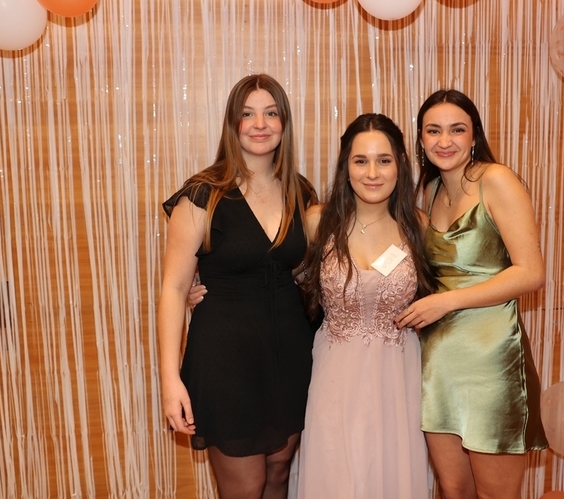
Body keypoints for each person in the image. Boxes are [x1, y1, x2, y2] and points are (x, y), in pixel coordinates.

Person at [157, 74, 316, 499]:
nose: (260, 124)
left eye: (270, 113)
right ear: (233, 124)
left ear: (284, 122)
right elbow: (173, 289)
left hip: (289, 354)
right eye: (248, 114)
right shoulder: (203, 194)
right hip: (225, 360)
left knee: (278, 476)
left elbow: (306, 270)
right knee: (246, 487)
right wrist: (170, 380)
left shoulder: (301, 191)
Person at [394, 90, 548, 499]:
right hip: (439, 362)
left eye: (457, 130)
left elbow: (531, 273)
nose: (445, 141)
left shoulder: (496, 180)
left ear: (474, 135)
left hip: (491, 359)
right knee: (452, 490)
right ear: (421, 140)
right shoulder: (428, 192)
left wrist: (447, 301)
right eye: (433, 131)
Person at [295, 113, 437, 499]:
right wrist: (203, 284)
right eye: (361, 161)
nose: (372, 173)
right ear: (346, 166)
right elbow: (270, 275)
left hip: (397, 374)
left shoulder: (419, 225)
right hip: (335, 372)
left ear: (400, 164)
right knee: (335, 470)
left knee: (391, 471)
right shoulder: (317, 221)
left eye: (383, 160)